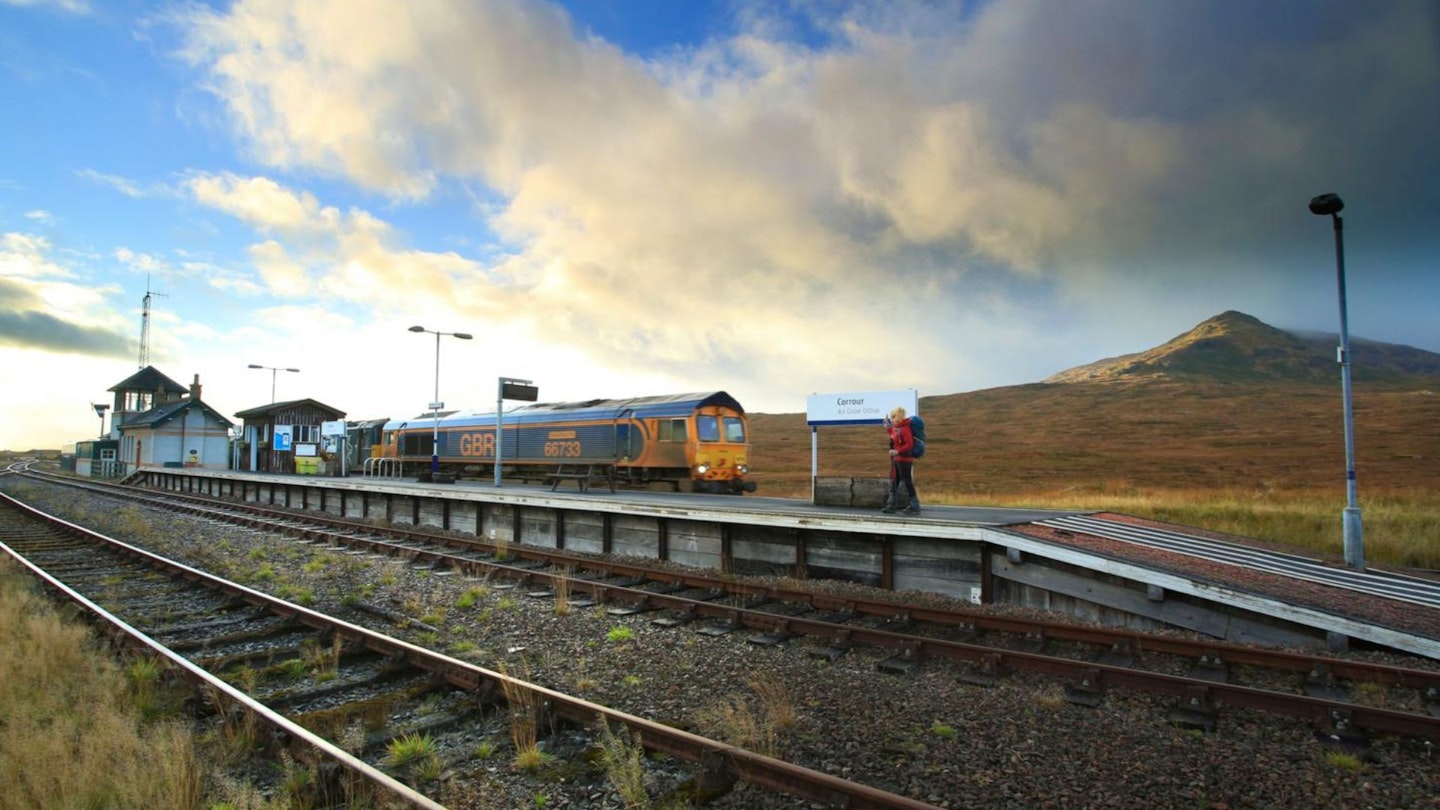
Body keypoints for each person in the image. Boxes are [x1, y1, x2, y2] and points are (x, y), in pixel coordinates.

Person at [881, 406, 920, 515]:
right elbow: (894, 435)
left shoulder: (905, 429)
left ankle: (914, 506)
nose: (892, 419)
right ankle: (891, 505)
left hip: (904, 460)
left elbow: (909, 445)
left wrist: (898, 451)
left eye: (893, 417)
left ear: (898, 417)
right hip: (897, 460)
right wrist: (887, 426)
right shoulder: (897, 427)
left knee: (906, 482)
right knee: (894, 482)